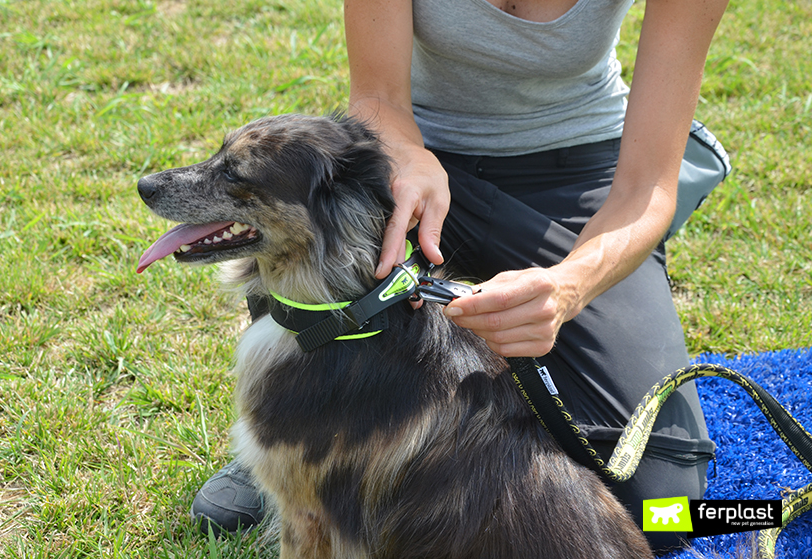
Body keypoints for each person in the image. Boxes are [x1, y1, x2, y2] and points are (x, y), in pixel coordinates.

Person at [192, 0, 728, 553]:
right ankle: (295, 438)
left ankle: (754, 506)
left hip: (582, 180)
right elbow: (377, 97)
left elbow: (649, 190)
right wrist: (405, 153)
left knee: (669, 511)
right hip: (421, 163)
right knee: (319, 217)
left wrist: (569, 287)